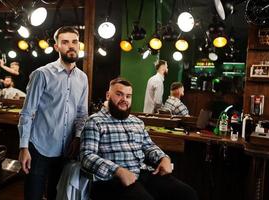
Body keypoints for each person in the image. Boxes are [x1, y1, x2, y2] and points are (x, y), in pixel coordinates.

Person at [80, 77, 198, 200]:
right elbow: (86, 156)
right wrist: (117, 170)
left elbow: (149, 146)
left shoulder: (136, 122)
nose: (124, 99)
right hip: (112, 179)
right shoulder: (95, 121)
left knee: (187, 194)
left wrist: (163, 158)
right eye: (119, 94)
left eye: (128, 96)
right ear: (108, 95)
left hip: (142, 173)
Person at [18, 26, 88, 200]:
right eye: (65, 42)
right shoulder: (42, 74)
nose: (71, 46)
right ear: (57, 47)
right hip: (39, 147)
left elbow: (82, 113)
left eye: (74, 42)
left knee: (56, 196)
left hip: (66, 150)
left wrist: (78, 138)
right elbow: (27, 113)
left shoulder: (83, 78)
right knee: (33, 196)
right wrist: (23, 147)